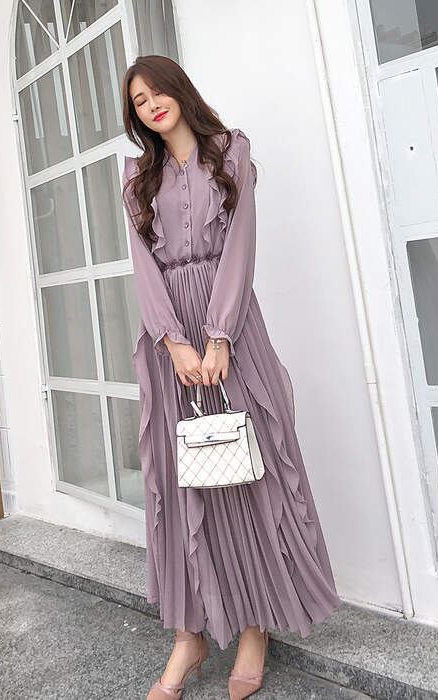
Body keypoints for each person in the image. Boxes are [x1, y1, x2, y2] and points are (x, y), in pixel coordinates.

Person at [121, 55, 341, 700]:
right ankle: (188, 636)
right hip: (170, 341)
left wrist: (219, 335)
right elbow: (143, 266)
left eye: (157, 92)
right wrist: (174, 342)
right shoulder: (135, 177)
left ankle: (254, 626)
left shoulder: (230, 152)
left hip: (233, 326)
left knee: (248, 473)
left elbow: (241, 246)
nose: (152, 105)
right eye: (139, 101)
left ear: (180, 91)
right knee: (184, 481)